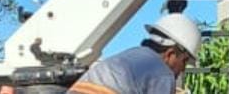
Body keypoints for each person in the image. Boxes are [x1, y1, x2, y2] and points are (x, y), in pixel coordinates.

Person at [68, 13, 202, 94]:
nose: (183, 68)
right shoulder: (162, 73)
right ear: (170, 54)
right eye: (184, 61)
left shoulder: (130, 55)